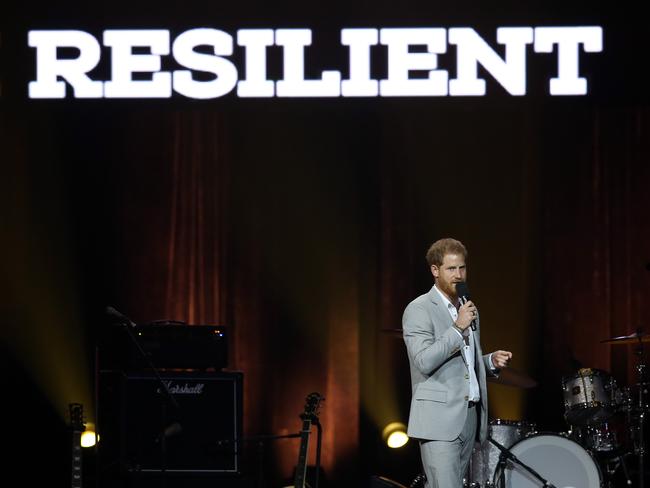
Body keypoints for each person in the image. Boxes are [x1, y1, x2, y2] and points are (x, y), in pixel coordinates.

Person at [402, 238, 512, 487]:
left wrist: (489, 362)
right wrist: (457, 327)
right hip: (439, 421)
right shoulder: (419, 309)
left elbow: (464, 364)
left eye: (462, 268)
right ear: (435, 270)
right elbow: (424, 360)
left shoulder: (468, 308)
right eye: (451, 269)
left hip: (468, 419)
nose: (459, 275)